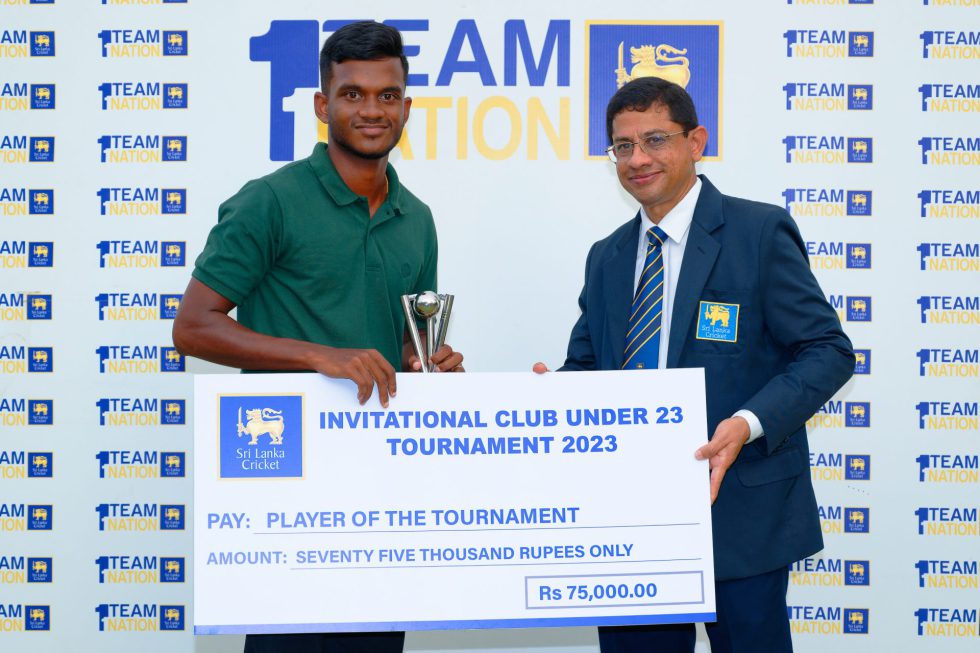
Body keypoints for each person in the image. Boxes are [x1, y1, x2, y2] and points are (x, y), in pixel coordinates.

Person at [535, 77, 854, 652]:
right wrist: (549, 396)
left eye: (655, 140)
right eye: (623, 146)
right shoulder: (606, 257)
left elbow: (828, 350)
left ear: (696, 142)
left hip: (740, 511)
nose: (638, 159)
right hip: (629, 521)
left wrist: (747, 424)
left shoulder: (758, 232)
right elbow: (587, 367)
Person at [172, 20, 462, 653]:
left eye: (387, 95)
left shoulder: (417, 218)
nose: (372, 110)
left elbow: (404, 345)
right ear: (322, 105)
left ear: (407, 108)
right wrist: (318, 357)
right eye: (352, 94)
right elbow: (192, 328)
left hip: (381, 482)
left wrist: (428, 364)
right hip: (286, 481)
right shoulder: (270, 201)